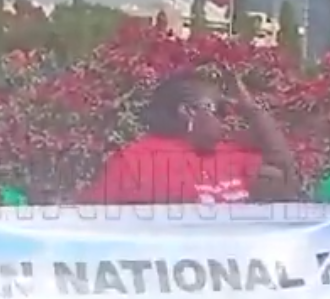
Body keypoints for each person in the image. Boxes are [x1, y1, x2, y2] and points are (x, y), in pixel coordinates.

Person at [79, 71, 299, 204]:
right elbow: (92, 225)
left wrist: (253, 111)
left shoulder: (229, 155)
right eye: (220, 110)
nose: (227, 118)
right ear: (188, 111)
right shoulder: (132, 162)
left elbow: (286, 177)